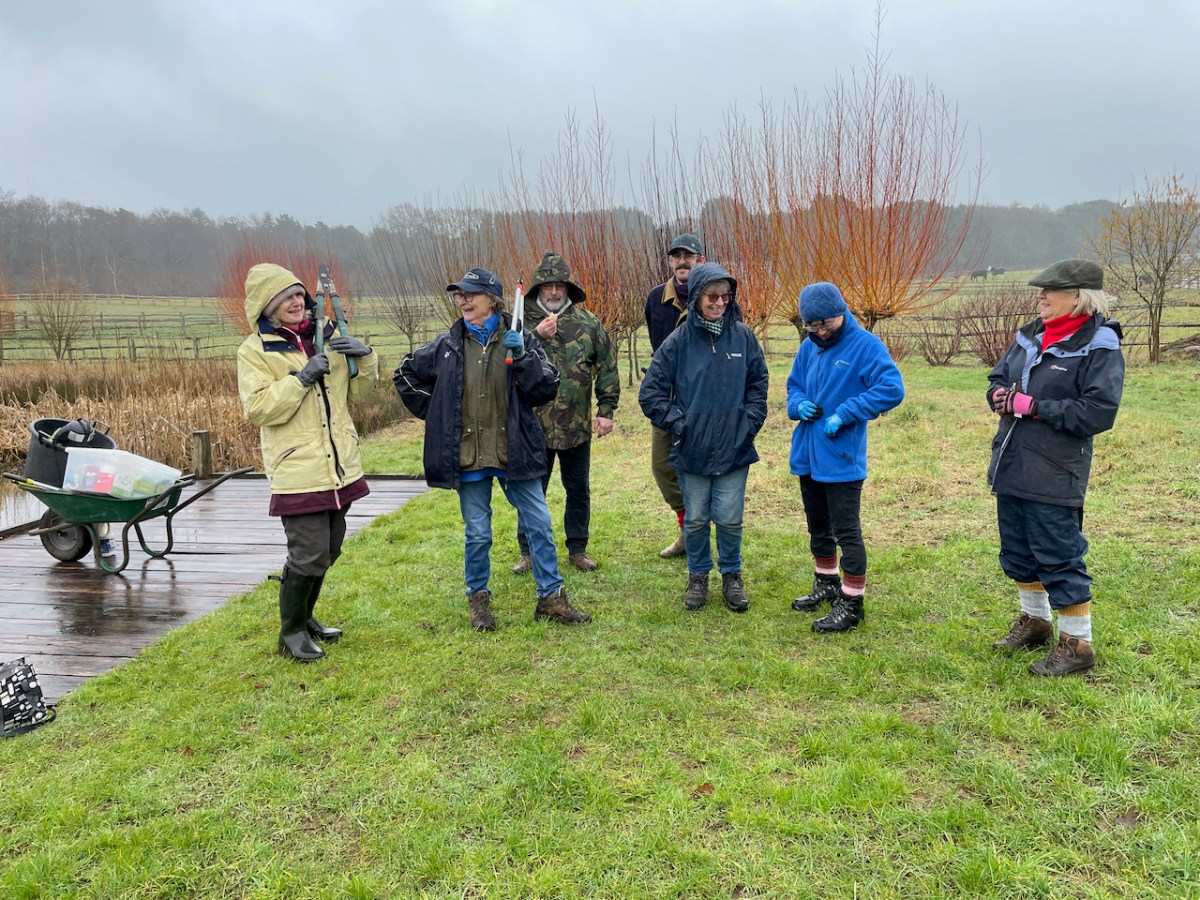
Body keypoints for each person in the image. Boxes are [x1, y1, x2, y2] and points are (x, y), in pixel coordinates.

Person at [394, 267, 591, 631]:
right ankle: (478, 601)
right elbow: (404, 374)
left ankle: (551, 597)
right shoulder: (447, 346)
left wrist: (526, 359)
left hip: (513, 450)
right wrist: (437, 410)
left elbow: (546, 388)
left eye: (471, 293)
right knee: (478, 532)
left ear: (493, 299)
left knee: (539, 525)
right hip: (469, 455)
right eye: (459, 295)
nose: (463, 300)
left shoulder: (520, 338)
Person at [987, 259, 1124, 676]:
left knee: (1059, 554)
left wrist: (1034, 407)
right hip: (1011, 461)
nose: (1041, 297)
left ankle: (1078, 645)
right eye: (1041, 291)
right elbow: (998, 374)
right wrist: (996, 392)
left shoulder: (1100, 346)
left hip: (1055, 468)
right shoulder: (1030, 336)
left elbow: (1098, 411)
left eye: (1050, 291)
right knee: (1018, 549)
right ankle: (1036, 622)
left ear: (1079, 296)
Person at [237, 263, 379, 661]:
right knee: (309, 552)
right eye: (286, 297)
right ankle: (291, 632)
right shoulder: (255, 350)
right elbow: (260, 408)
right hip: (299, 470)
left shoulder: (328, 337)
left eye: (299, 294)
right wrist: (299, 379)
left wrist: (364, 357)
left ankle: (307, 617)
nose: (297, 301)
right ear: (267, 307)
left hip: (339, 466)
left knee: (330, 549)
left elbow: (362, 392)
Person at [639, 262, 768, 612]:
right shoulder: (677, 342)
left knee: (729, 517)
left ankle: (731, 576)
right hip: (692, 448)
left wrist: (749, 422)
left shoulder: (742, 337)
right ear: (696, 297)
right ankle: (698, 576)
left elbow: (758, 384)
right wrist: (679, 423)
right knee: (695, 519)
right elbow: (650, 393)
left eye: (725, 297)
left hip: (734, 446)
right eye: (712, 296)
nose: (719, 303)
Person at [786, 282, 904, 634]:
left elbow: (891, 388)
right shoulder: (808, 347)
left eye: (827, 323)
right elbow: (793, 386)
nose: (821, 331)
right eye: (813, 326)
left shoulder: (865, 345)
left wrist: (848, 412)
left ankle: (852, 603)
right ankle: (826, 583)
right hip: (808, 453)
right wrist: (797, 406)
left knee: (846, 532)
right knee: (817, 526)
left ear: (842, 311)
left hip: (841, 456)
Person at [510, 252, 620, 574]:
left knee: (578, 489)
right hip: (533, 427)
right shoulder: (520, 325)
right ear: (538, 289)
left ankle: (577, 549)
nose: (554, 292)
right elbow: (506, 364)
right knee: (531, 493)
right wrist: (536, 338)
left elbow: (608, 368)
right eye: (548, 286)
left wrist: (606, 410)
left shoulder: (588, 324)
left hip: (576, 426)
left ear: (568, 289)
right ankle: (528, 552)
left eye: (559, 286)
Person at [643, 233, 706, 558]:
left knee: (702, 467)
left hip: (704, 401)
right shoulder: (656, 299)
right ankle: (687, 528)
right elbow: (657, 345)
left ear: (700, 260)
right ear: (669, 262)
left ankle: (704, 534)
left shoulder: (715, 297)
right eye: (676, 256)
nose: (683, 261)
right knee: (662, 466)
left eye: (689, 256)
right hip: (667, 401)